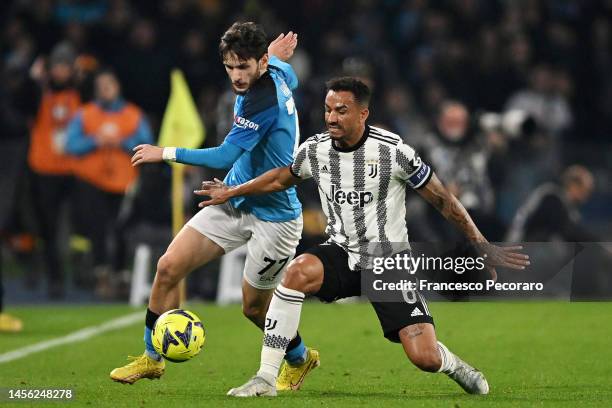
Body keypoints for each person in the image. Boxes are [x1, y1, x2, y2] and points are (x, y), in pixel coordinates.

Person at [197, 77, 530, 397]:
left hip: (388, 262)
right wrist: (234, 190)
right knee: (296, 273)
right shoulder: (315, 150)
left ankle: (455, 366)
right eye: (328, 110)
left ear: (362, 113)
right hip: (342, 252)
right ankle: (266, 377)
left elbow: (443, 200)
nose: (331, 117)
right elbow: (281, 178)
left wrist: (480, 242)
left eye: (341, 110)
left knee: (424, 357)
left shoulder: (394, 152)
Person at [110, 22, 319, 390]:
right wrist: (275, 54)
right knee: (168, 266)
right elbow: (289, 73)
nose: (236, 76)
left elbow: (225, 155)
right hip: (233, 196)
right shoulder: (276, 71)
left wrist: (165, 152)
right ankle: (151, 358)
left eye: (243, 67)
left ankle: (300, 358)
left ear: (260, 63)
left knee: (254, 308)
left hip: (276, 215)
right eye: (230, 66)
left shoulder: (262, 99)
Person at [65, 69, 153, 297]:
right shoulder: (84, 114)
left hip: (124, 183)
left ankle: (122, 275)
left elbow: (147, 144)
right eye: (101, 86)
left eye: (109, 85)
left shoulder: (133, 115)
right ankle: (101, 275)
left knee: (121, 229)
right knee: (97, 228)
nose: (105, 90)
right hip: (91, 181)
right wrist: (95, 140)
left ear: (117, 87)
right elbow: (71, 145)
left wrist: (122, 141)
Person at [28, 42, 81, 298]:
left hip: (72, 169)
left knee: (77, 225)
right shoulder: (38, 94)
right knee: (46, 226)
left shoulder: (82, 93)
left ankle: (82, 273)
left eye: (65, 66)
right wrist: (34, 81)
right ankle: (51, 275)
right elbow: (21, 102)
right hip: (43, 169)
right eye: (57, 66)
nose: (61, 71)